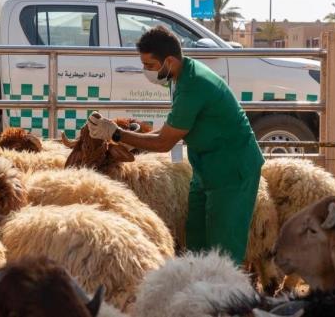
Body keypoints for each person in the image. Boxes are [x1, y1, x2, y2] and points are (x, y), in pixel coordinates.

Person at [87, 26, 264, 265]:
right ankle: (199, 297)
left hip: (232, 170)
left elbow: (164, 142)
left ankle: (225, 299)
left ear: (168, 61)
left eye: (150, 65)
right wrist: (130, 139)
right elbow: (173, 127)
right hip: (206, 167)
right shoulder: (180, 76)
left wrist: (117, 135)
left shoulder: (194, 86)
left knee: (224, 252)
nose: (146, 71)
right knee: (197, 244)